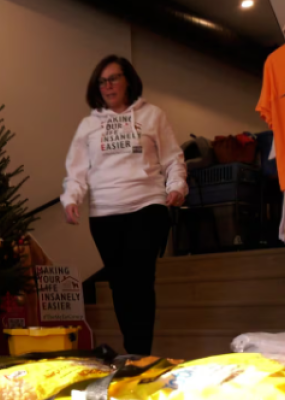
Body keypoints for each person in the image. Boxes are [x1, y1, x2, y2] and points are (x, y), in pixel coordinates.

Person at [60, 55, 187, 355]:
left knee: (140, 280)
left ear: (128, 80)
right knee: (119, 284)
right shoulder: (88, 125)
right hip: (105, 213)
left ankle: (138, 352)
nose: (108, 85)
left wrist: (177, 186)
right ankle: (133, 352)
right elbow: (76, 170)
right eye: (102, 81)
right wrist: (71, 199)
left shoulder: (153, 115)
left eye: (114, 78)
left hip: (147, 206)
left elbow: (173, 158)